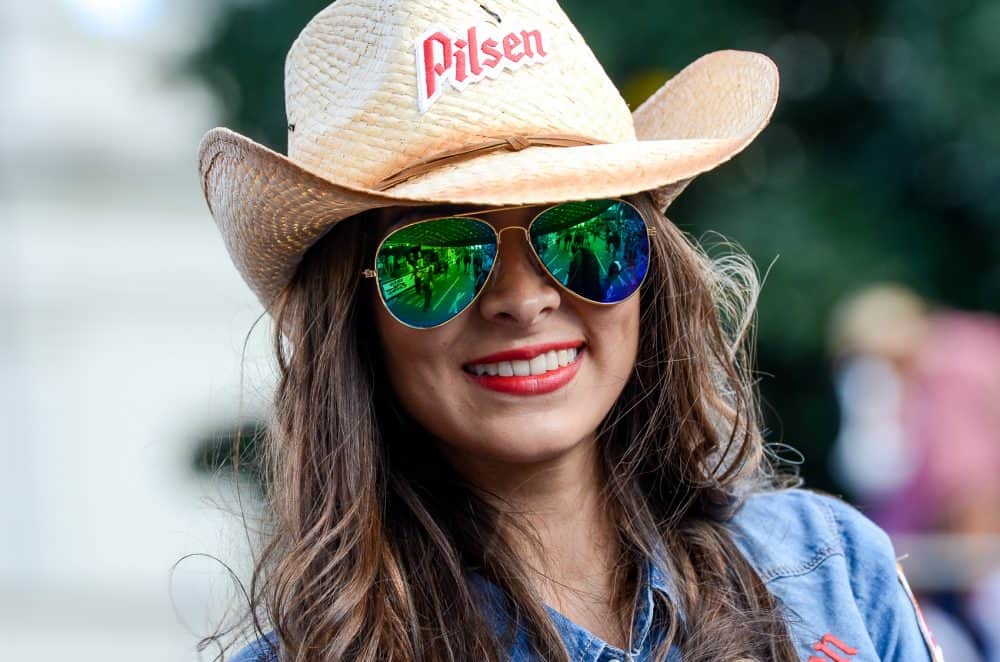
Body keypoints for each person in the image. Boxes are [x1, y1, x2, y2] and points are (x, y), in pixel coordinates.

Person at [197, 1, 943, 660]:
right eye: (438, 260)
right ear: (355, 320)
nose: (523, 301)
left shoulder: (832, 570)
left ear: (654, 271)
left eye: (584, 233)